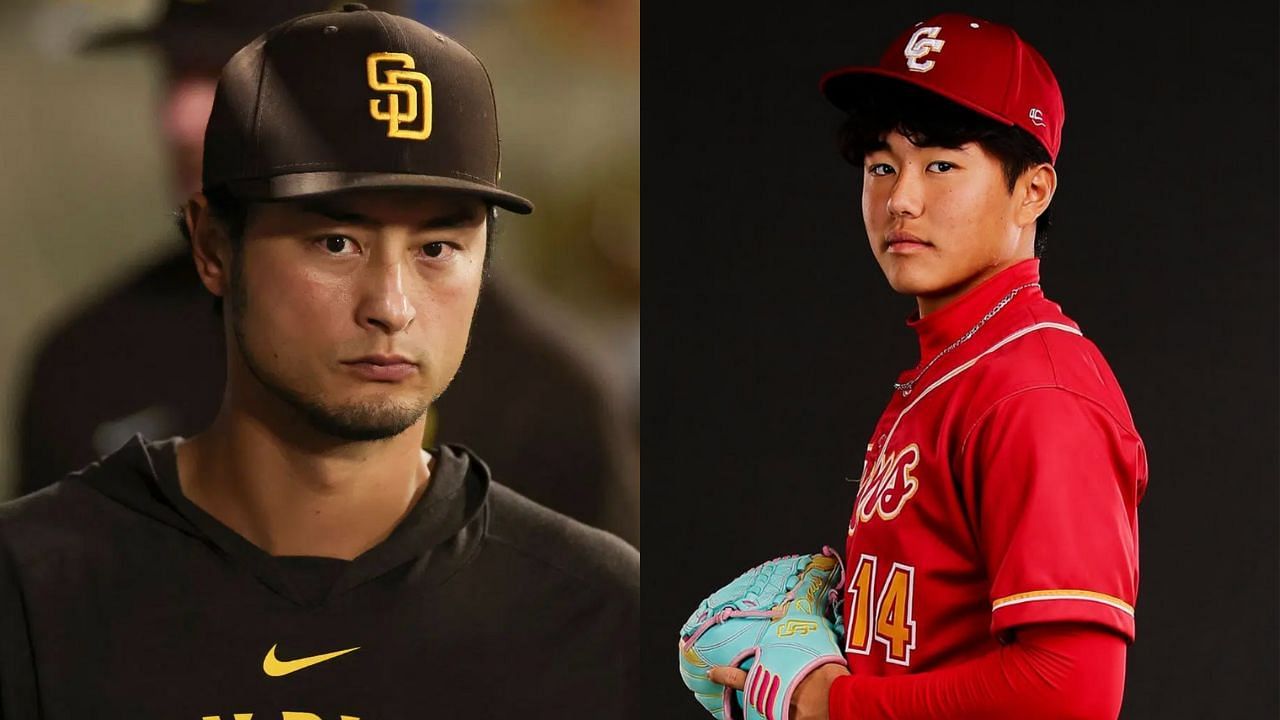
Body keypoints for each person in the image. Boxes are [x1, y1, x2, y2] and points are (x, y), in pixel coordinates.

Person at [0, 6, 637, 717]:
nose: (391, 304)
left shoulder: (597, 604)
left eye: (437, 247)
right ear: (211, 245)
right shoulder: (37, 576)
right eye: (336, 242)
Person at [705, 13, 1146, 719]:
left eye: (941, 163)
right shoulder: (957, 369)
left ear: (1032, 190)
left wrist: (830, 705)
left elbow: (1074, 691)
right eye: (883, 166)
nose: (900, 199)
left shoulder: (1036, 390)